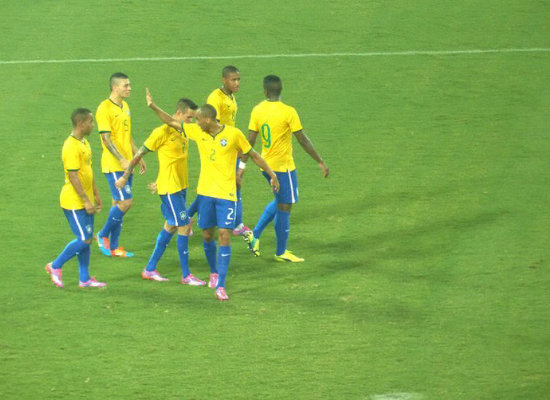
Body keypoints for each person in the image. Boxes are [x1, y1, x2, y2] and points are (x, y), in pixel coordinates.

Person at [146, 88, 279, 301]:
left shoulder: (233, 134)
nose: (196, 123)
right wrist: (153, 106)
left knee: (224, 235)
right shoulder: (198, 132)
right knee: (207, 235)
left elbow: (252, 154)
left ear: (208, 119)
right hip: (206, 195)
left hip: (226, 195)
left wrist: (271, 174)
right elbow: (172, 122)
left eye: (198, 120)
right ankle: (214, 272)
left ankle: (221, 285)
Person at [115, 98, 205, 285]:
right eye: (189, 117)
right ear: (178, 114)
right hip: (170, 189)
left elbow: (171, 160)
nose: (191, 122)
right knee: (184, 226)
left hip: (180, 187)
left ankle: (149, 269)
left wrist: (158, 179)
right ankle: (186, 275)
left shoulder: (184, 131)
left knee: (171, 226)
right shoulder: (161, 132)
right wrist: (125, 176)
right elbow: (139, 153)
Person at [241, 75, 329, 262]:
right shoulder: (288, 111)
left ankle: (254, 235)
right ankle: (281, 252)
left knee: (281, 200)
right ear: (281, 91)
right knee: (285, 206)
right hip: (283, 168)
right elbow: (302, 139)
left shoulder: (257, 110)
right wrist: (320, 161)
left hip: (265, 166)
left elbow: (250, 140)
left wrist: (242, 165)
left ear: (265, 91)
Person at [45, 108, 106, 288]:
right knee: (84, 239)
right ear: (81, 124)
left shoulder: (84, 143)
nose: (93, 126)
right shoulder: (70, 146)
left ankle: (84, 279)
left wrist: (95, 194)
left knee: (86, 238)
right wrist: (86, 200)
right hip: (73, 201)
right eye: (91, 122)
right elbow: (73, 175)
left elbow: (87, 171)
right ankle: (55, 266)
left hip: (86, 199)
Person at [187, 66, 250, 236]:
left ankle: (236, 223)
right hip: (221, 149)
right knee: (224, 186)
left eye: (238, 79)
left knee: (231, 185)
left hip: (229, 147)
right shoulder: (215, 98)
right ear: (224, 80)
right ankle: (236, 224)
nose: (237, 83)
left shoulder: (230, 97)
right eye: (233, 80)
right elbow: (213, 126)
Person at [95, 72, 146, 258]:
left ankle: (115, 247)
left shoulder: (125, 106)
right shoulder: (104, 108)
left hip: (127, 164)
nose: (130, 88)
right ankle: (102, 235)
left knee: (117, 202)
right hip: (114, 165)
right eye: (126, 85)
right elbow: (106, 139)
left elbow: (127, 133)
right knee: (126, 202)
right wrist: (122, 160)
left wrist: (136, 155)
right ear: (115, 87)